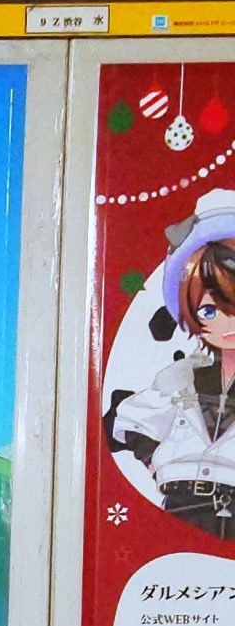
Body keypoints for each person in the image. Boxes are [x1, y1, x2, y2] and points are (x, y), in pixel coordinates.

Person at [114, 189, 235, 540]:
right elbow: (133, 422)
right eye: (209, 311)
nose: (226, 323)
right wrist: (159, 463)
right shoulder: (182, 378)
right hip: (180, 505)